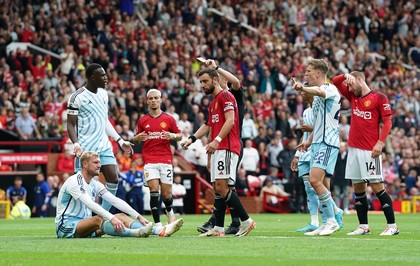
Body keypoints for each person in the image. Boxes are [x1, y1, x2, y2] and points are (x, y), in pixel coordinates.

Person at [182, 67, 255, 237]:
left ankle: (246, 221)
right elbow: (208, 125)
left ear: (215, 80)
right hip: (217, 149)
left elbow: (230, 121)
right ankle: (219, 227)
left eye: (205, 81)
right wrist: (192, 139)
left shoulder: (226, 96)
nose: (202, 85)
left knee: (223, 188)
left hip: (227, 147)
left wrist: (216, 140)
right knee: (217, 188)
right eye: (200, 82)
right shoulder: (213, 101)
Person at [332, 71, 399, 236]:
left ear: (359, 80)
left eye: (351, 84)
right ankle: (363, 226)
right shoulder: (353, 96)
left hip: (370, 150)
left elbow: (388, 122)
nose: (349, 88)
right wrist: (346, 75)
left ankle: (392, 225)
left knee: (377, 187)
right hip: (353, 149)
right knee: (358, 188)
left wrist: (380, 142)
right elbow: (335, 81)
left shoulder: (379, 97)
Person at [67, 63, 134, 211]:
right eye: (102, 75)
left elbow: (104, 121)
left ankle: (102, 217)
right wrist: (76, 144)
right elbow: (70, 125)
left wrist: (120, 140)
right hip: (85, 149)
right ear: (93, 77)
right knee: (81, 187)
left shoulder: (104, 94)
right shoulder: (77, 97)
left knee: (114, 179)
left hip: (103, 146)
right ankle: (80, 218)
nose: (106, 78)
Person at [195, 59, 246, 235]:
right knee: (221, 186)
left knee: (225, 186)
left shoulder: (231, 94)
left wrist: (216, 68)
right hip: (219, 144)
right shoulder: (215, 101)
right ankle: (224, 224)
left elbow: (236, 82)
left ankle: (237, 221)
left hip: (231, 142)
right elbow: (211, 127)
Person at [55, 151, 156, 238]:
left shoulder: (94, 183)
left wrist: (138, 216)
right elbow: (90, 204)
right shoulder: (74, 181)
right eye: (95, 162)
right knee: (98, 219)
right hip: (66, 227)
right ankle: (136, 233)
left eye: (99, 162)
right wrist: (112, 218)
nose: (99, 165)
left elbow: (114, 200)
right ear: (85, 164)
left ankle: (157, 231)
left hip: (86, 227)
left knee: (121, 216)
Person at [293, 59, 341, 236]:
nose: (305, 74)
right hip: (318, 142)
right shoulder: (320, 99)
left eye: (308, 71)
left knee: (315, 181)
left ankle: (332, 220)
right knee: (316, 182)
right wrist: (308, 141)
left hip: (328, 142)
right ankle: (327, 221)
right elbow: (320, 122)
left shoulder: (329, 88)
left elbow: (319, 90)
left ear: (318, 73)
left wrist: (303, 88)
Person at [133, 88, 184, 236]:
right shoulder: (143, 120)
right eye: (151, 98)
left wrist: (172, 135)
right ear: (147, 101)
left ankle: (170, 212)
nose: (153, 100)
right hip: (150, 160)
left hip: (166, 159)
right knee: (154, 191)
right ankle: (157, 225)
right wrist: (138, 138)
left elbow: (180, 136)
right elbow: (135, 139)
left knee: (167, 194)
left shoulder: (169, 119)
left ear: (161, 100)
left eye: (156, 98)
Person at [290, 90, 320, 232]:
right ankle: (314, 222)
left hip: (318, 151)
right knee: (309, 189)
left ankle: (332, 216)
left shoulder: (320, 108)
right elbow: (305, 135)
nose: (301, 94)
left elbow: (328, 129)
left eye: (303, 92)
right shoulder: (307, 111)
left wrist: (312, 128)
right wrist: (297, 155)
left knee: (319, 187)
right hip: (305, 153)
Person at [333, 142, 350, 214]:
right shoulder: (336, 156)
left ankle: (345, 208)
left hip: (346, 178)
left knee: (346, 194)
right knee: (337, 194)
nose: (340, 149)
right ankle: (337, 208)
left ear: (345, 148)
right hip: (337, 178)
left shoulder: (348, 156)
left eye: (342, 147)